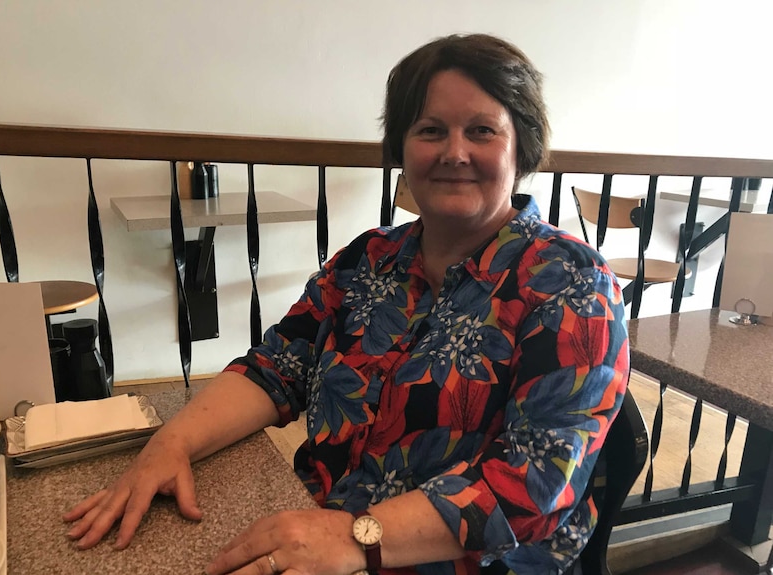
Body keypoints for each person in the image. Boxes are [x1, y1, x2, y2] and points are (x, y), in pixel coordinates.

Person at [64, 33, 629, 575]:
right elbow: (276, 369)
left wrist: (356, 536)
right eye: (430, 130)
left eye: (482, 130)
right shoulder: (369, 259)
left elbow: (532, 484)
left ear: (522, 146)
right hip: (317, 534)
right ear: (402, 150)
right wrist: (171, 443)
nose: (454, 152)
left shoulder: (572, 285)